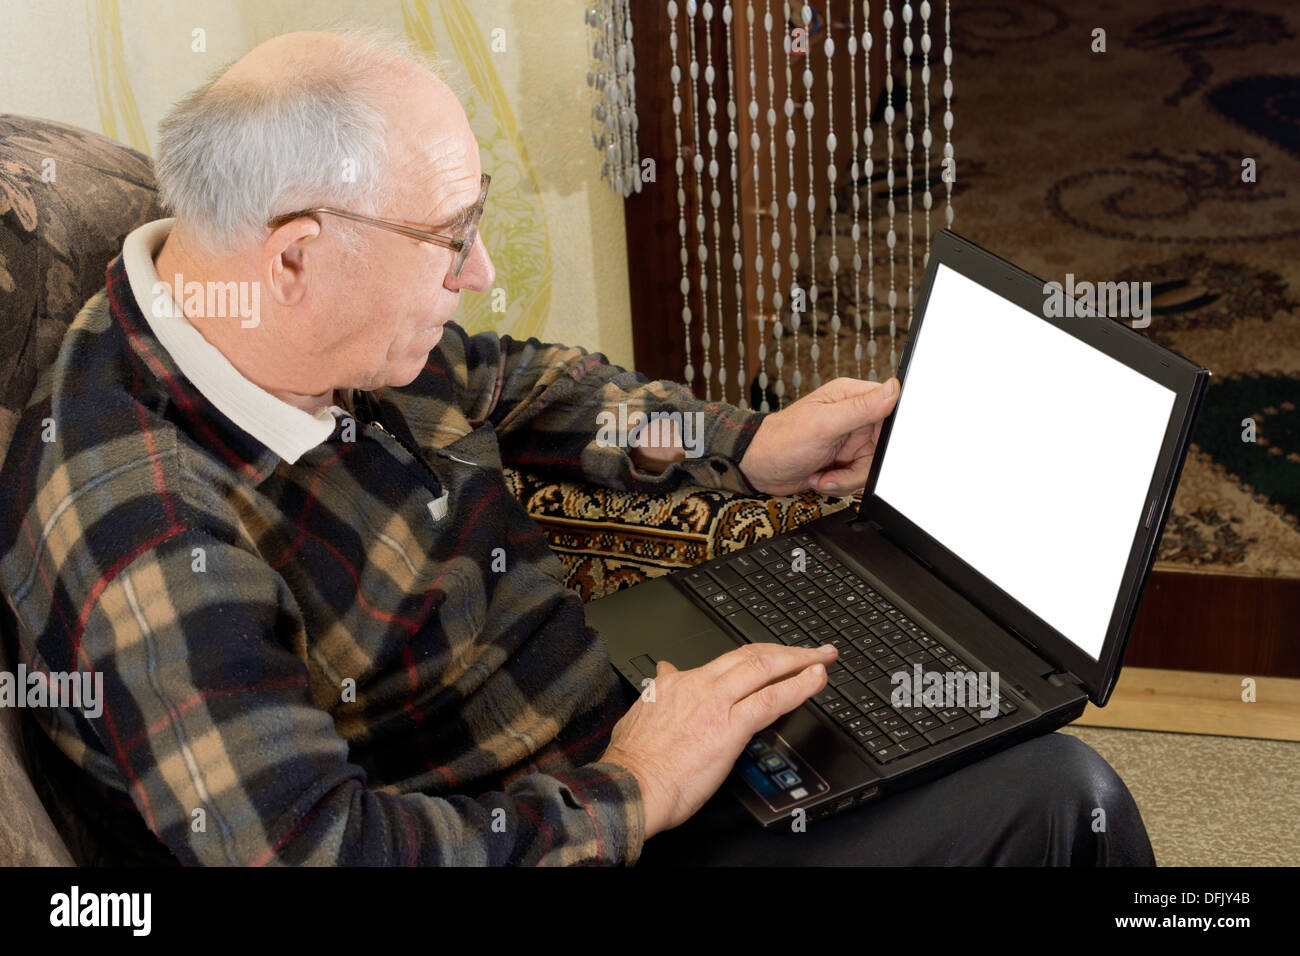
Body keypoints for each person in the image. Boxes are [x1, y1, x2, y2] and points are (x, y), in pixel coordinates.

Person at [0, 27, 1153, 866]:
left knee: (945, 714)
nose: (480, 275)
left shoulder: (240, 302)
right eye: (451, 239)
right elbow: (316, 852)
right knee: (1062, 798)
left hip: (594, 719)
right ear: (297, 255)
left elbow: (514, 383)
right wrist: (637, 789)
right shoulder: (145, 532)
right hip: (551, 824)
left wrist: (742, 444)